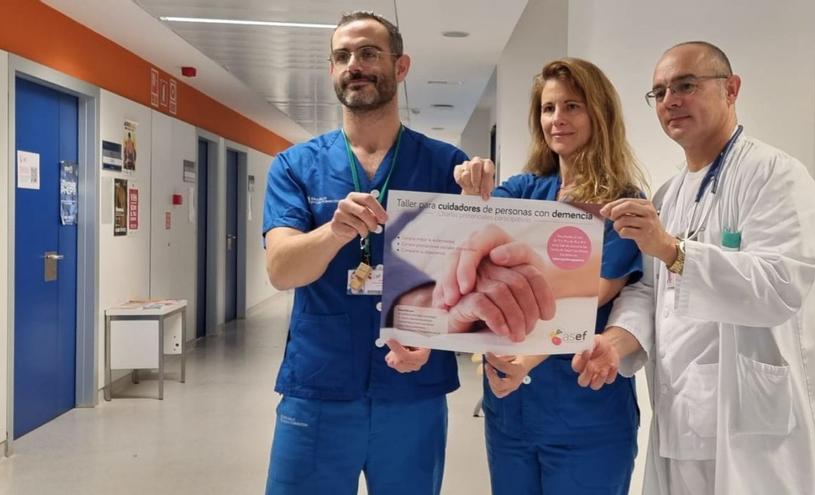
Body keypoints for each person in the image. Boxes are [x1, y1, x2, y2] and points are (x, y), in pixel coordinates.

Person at [581, 41, 815, 494]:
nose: (670, 101)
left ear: (731, 89)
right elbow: (647, 293)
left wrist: (673, 250)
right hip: (681, 416)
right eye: (659, 92)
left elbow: (782, 285)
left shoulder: (775, 175)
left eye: (686, 85)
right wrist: (614, 343)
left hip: (751, 425)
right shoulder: (667, 194)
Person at [261, 11, 469, 495]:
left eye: (370, 53)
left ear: (401, 67)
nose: (355, 64)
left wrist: (437, 341)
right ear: (332, 70)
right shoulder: (296, 166)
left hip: (413, 389)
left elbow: (469, 281)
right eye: (342, 56)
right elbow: (280, 270)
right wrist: (332, 233)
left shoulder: (446, 166)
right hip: (318, 384)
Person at [453, 58, 647, 495]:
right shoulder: (523, 190)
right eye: (548, 108)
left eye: (572, 106)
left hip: (585, 415)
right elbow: (474, 244)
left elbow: (591, 292)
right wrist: (470, 192)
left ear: (600, 114)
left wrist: (527, 359)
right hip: (511, 413)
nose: (557, 119)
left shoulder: (622, 203)